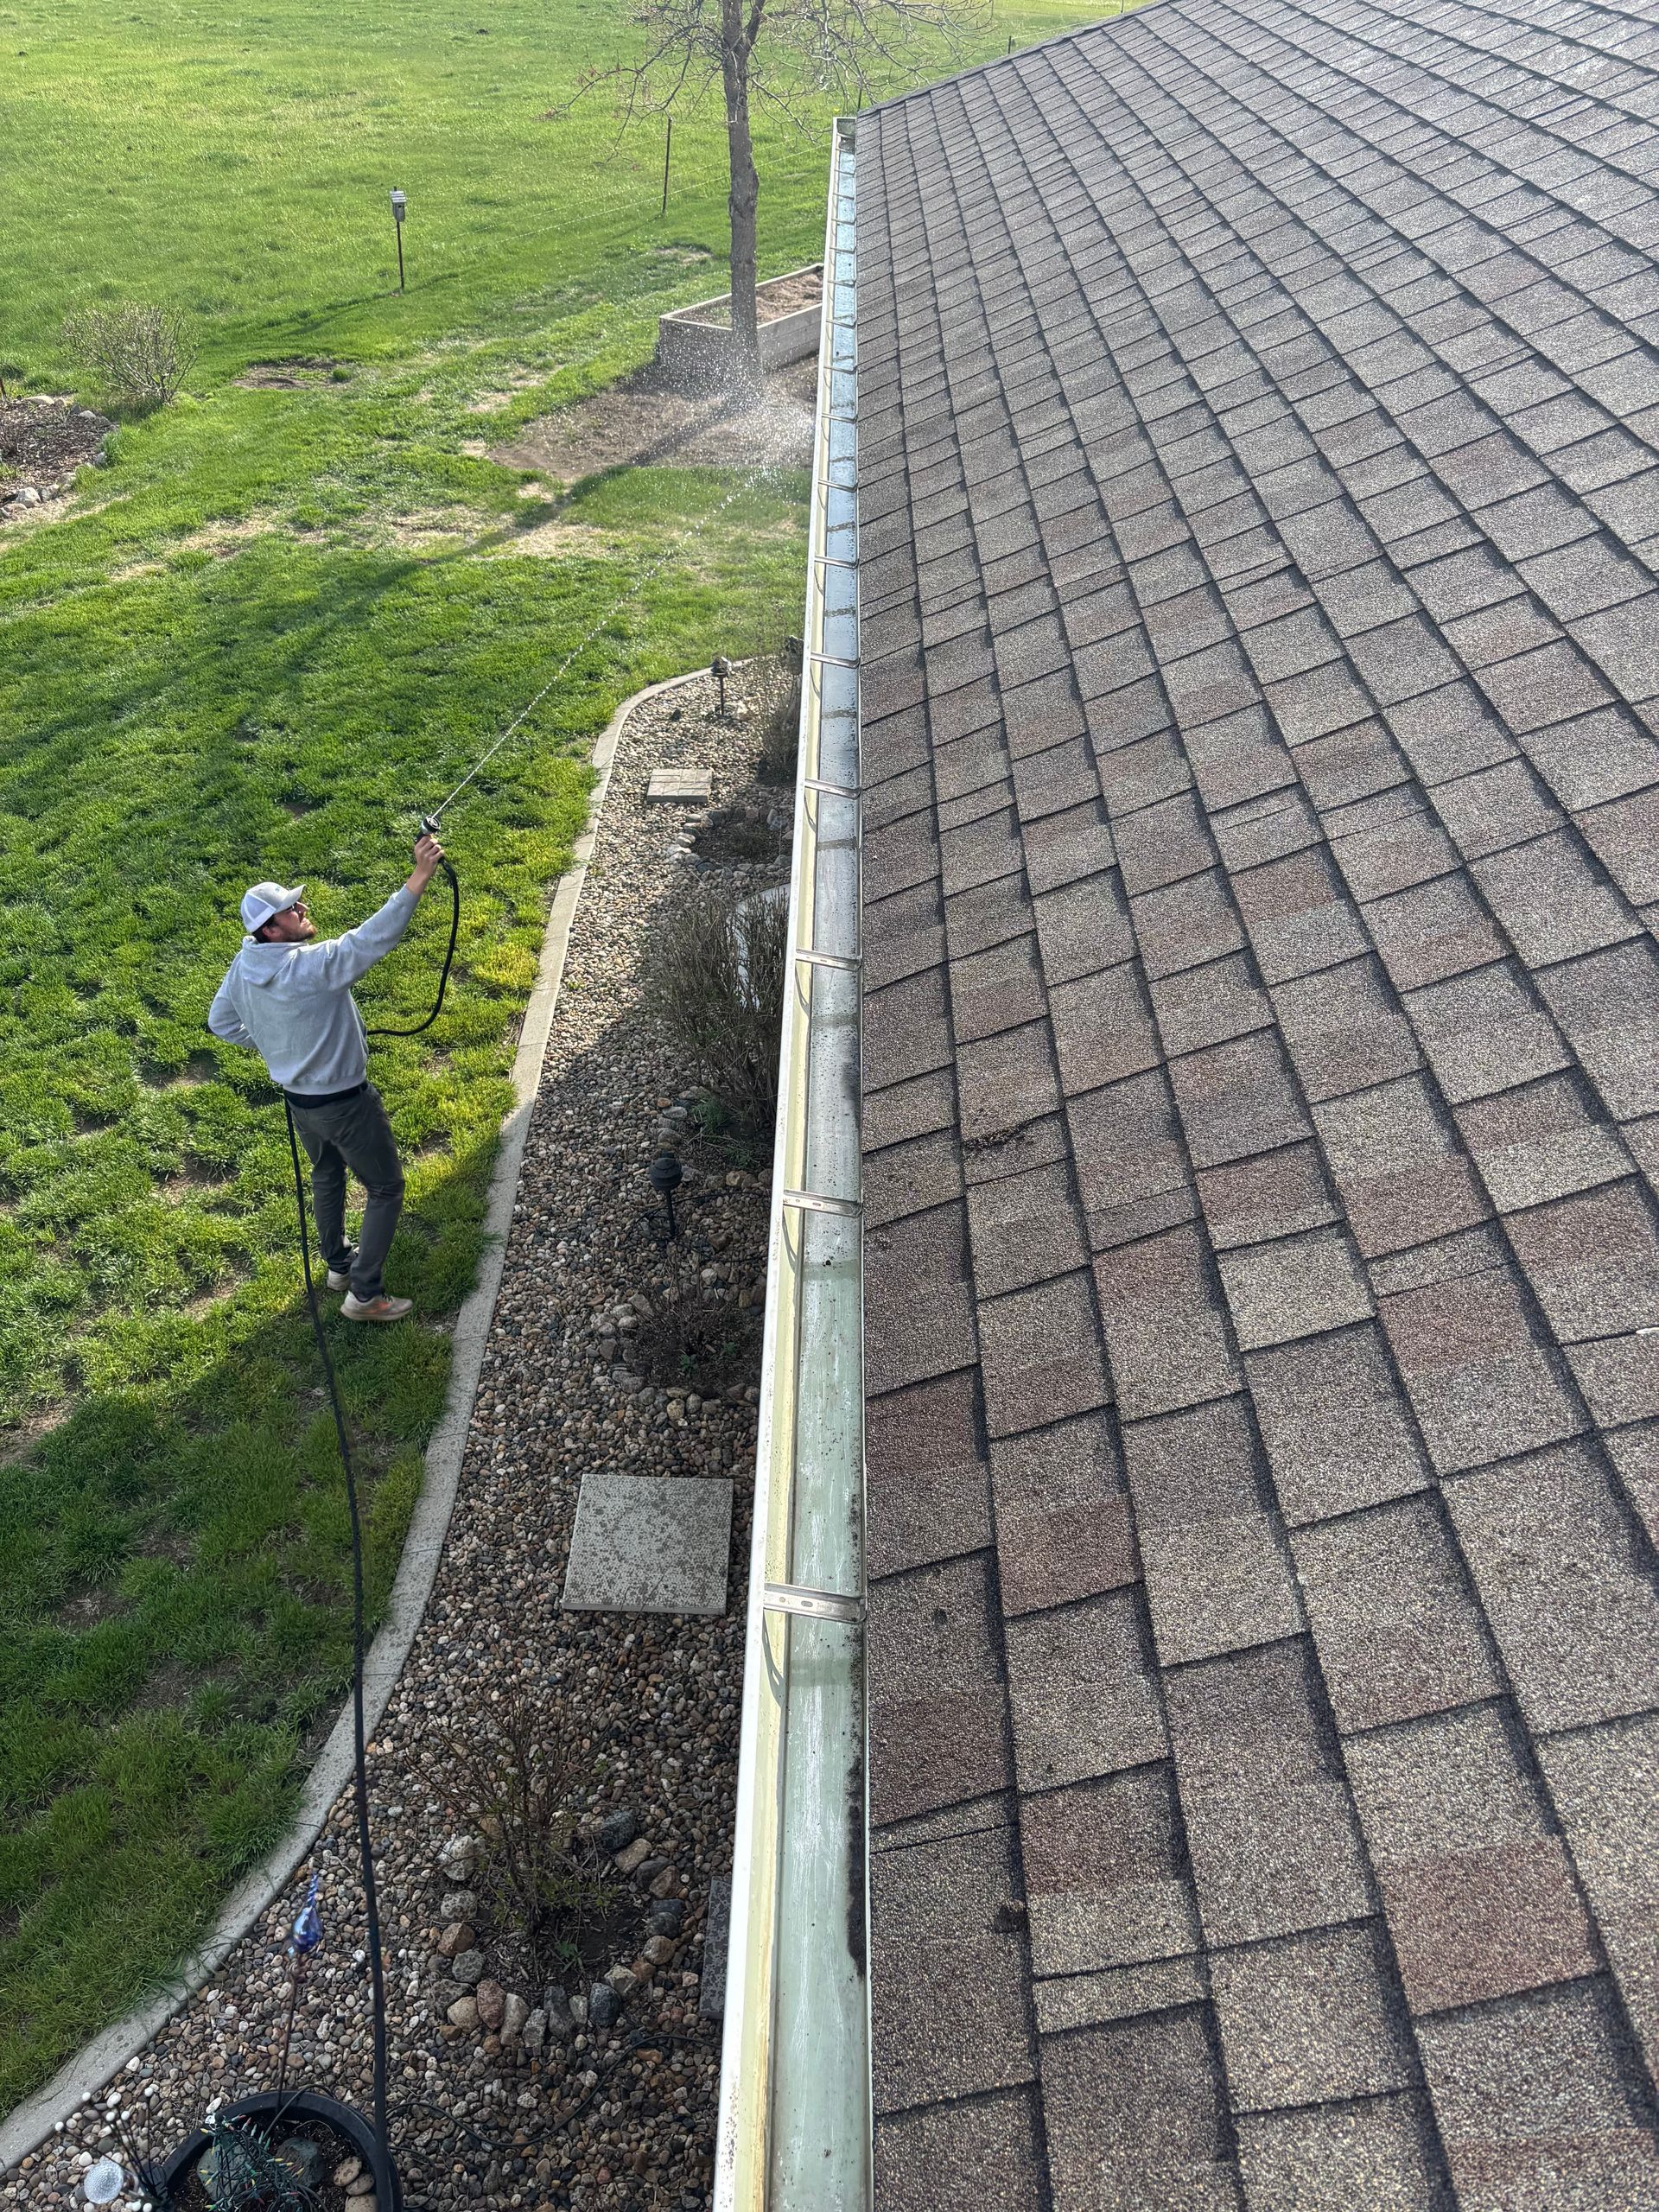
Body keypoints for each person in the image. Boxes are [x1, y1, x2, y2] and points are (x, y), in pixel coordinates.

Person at [208, 835, 447, 1322]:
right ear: (271, 931)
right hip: (345, 1103)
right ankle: (364, 1296)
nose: (302, 908)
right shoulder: (312, 968)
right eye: (291, 909)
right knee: (385, 1188)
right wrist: (419, 877)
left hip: (300, 1102)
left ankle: (339, 1265)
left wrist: (283, 1045)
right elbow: (370, 939)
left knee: (326, 1173)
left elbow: (222, 1023)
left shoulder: (243, 966)